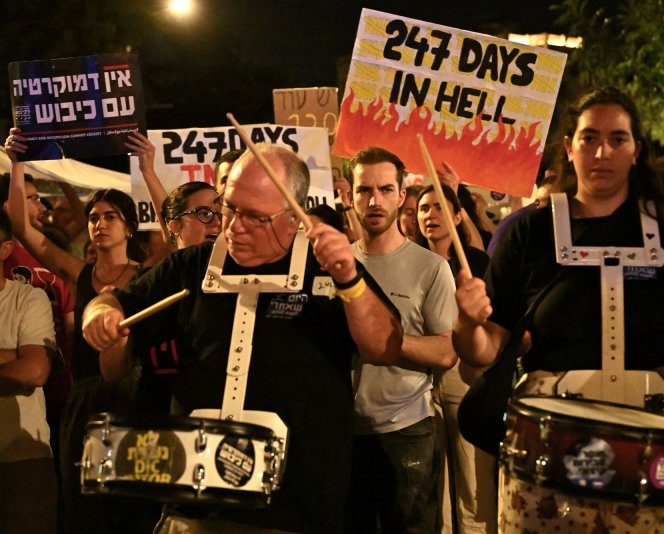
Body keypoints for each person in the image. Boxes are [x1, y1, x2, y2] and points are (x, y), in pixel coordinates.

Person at [82, 143, 403, 533]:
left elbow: (386, 348)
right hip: (195, 501)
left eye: (255, 217)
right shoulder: (194, 264)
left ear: (292, 218)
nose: (233, 226)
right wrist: (102, 315)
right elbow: (113, 307)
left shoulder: (327, 267)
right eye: (229, 207)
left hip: (297, 505)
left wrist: (350, 281)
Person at [453, 87, 664, 533]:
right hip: (551, 443)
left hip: (659, 443)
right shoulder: (528, 234)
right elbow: (487, 349)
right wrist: (467, 321)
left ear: (637, 149)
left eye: (618, 139)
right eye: (589, 138)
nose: (603, 152)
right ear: (569, 146)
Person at [5, 129, 142, 533]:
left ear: (130, 227)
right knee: (82, 504)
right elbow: (22, 228)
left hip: (130, 399)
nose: (100, 224)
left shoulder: (148, 277)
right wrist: (16, 163)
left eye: (111, 217)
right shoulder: (80, 273)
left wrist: (148, 168)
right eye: (94, 217)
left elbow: (176, 243)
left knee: (127, 502)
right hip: (83, 401)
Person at [347, 146, 457, 533]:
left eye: (385, 189)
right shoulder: (333, 264)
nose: (374, 200)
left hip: (407, 432)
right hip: (343, 432)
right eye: (364, 190)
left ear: (401, 195)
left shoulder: (431, 267)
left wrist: (389, 340)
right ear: (349, 194)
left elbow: (446, 352)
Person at [414, 184, 495, 533]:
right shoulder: (410, 259)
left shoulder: (476, 263)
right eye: (423, 208)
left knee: (472, 482)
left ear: (459, 216)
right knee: (436, 484)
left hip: (466, 378)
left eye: (438, 207)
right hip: (421, 382)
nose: (430, 215)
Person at [0, 209, 58, 534]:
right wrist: (11, 357)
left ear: (5, 249)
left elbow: (34, 371)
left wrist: (23, 361)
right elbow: (23, 366)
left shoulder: (29, 298)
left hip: (22, 459)